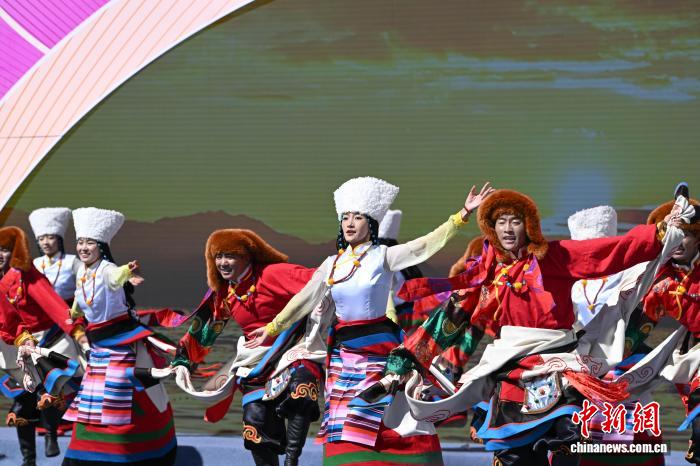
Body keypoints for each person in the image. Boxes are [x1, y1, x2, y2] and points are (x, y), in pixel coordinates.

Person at [386, 189, 680, 466]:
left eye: (515, 221)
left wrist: (659, 232)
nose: (508, 229)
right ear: (491, 228)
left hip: (558, 360)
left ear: (528, 225)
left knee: (568, 435)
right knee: (514, 454)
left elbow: (606, 252)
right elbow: (452, 314)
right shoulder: (488, 271)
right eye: (501, 222)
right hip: (510, 365)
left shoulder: (552, 257)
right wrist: (408, 359)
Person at [246, 177, 495, 465]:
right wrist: (271, 328)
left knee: (386, 415)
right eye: (345, 218)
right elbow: (304, 299)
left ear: (371, 223)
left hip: (380, 349)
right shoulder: (332, 264)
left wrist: (461, 215)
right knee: (344, 418)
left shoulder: (383, 256)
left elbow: (424, 245)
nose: (350, 223)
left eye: (358, 217)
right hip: (344, 354)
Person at [171, 229, 319, 466]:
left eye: (230, 256)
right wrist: (182, 360)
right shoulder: (225, 292)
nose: (223, 262)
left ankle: (292, 461)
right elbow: (205, 331)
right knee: (254, 428)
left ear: (247, 256)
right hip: (255, 361)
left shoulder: (272, 274)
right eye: (218, 256)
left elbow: (322, 282)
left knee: (301, 390)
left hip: (294, 348)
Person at [61, 207, 177, 465]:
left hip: (120, 341)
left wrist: (127, 271)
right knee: (91, 399)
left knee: (124, 391)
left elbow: (114, 278)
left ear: (101, 246)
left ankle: (137, 453)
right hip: (97, 344)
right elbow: (81, 298)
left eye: (90, 242)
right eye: (80, 242)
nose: (83, 247)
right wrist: (73, 313)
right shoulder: (82, 271)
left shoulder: (107, 268)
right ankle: (85, 453)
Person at [0, 226, 85, 466]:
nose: (0, 254)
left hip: (44, 339)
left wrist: (77, 332)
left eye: (5, 250)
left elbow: (53, 304)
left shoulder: (26, 275)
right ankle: (29, 460)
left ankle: (50, 433)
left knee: (45, 392)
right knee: (21, 405)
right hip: (11, 346)